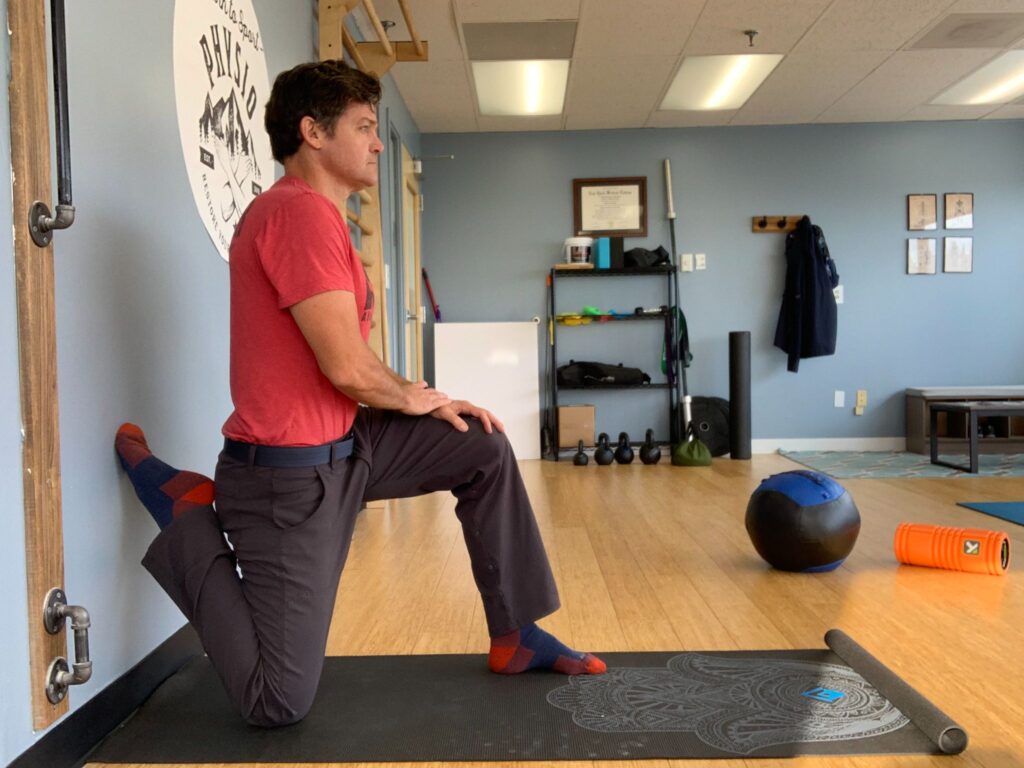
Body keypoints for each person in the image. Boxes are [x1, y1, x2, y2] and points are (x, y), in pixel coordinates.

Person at [115, 58, 605, 729]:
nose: (378, 143)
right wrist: (419, 397)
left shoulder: (320, 220)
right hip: (288, 480)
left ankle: (515, 633)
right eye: (366, 127)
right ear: (313, 132)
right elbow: (346, 365)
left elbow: (344, 371)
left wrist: (424, 399)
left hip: (350, 445)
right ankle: (189, 515)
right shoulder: (297, 216)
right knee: (276, 702)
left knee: (482, 447)